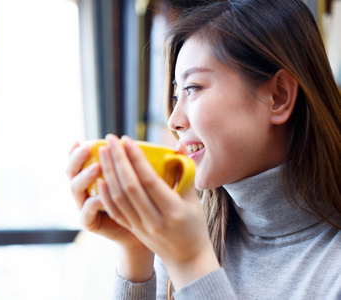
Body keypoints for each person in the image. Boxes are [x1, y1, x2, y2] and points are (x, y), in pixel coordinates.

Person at [66, 0, 341, 299]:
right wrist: (136, 248)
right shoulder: (188, 232)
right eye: (175, 95)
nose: (174, 120)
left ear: (278, 96)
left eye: (193, 88)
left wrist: (191, 261)